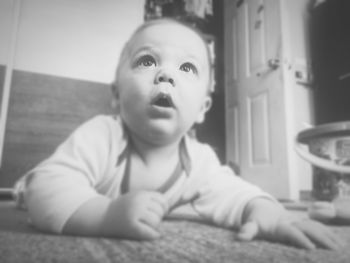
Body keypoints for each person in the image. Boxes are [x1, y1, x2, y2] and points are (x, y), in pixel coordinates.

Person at [14, 18, 343, 250]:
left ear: (203, 107)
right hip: (68, 190)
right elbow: (48, 186)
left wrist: (268, 215)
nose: (166, 75)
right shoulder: (104, 136)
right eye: (147, 61)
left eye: (187, 68)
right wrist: (105, 216)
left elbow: (234, 192)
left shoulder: (198, 160)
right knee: (31, 191)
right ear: (115, 94)